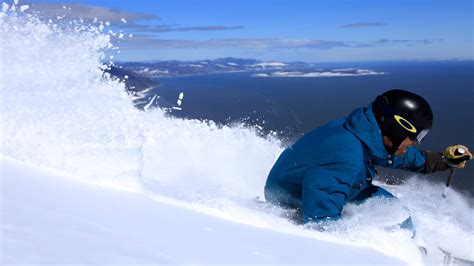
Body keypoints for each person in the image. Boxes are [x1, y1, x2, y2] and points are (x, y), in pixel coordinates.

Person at [264, 89, 472, 225]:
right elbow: (321, 223)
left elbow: (395, 156)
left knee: (394, 211)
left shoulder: (367, 133)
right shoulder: (345, 157)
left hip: (320, 189)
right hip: (294, 202)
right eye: (415, 135)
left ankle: (407, 245)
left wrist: (440, 160)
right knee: (393, 218)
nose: (415, 142)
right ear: (397, 128)